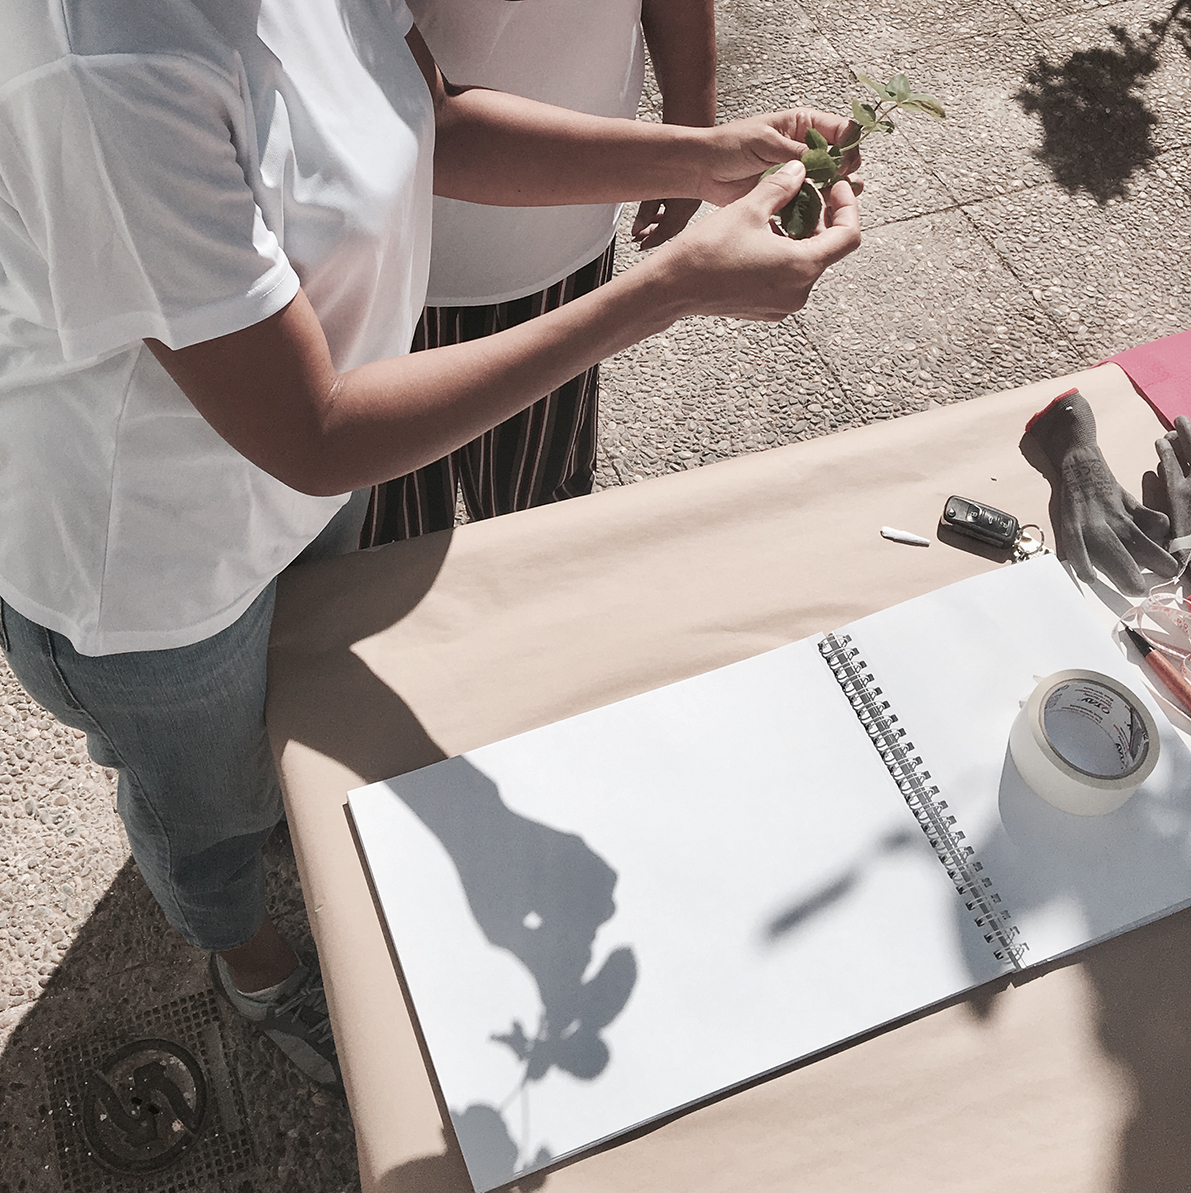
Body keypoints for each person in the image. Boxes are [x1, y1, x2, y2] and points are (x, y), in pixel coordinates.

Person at [0, 0, 861, 1090]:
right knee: (209, 813)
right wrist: (673, 288)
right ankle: (253, 964)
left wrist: (703, 154)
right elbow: (313, 431)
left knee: (301, 729)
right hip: (153, 568)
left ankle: (289, 843)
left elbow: (440, 121)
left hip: (298, 489)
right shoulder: (105, 68)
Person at [365, 0, 717, 541]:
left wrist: (692, 140)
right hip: (392, 257)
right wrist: (695, 161)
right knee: (391, 535)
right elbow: (438, 117)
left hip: (564, 238)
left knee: (540, 511)